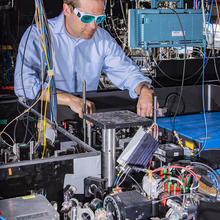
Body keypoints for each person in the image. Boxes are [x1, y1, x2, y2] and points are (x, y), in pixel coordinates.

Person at [14, 0, 155, 119]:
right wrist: (69, 99)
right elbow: (24, 86)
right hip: (45, 119)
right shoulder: (39, 35)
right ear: (67, 9)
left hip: (86, 118)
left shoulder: (102, 39)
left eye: (99, 19)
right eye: (87, 18)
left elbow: (126, 72)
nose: (94, 26)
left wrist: (144, 89)